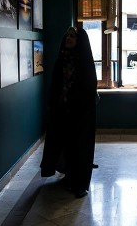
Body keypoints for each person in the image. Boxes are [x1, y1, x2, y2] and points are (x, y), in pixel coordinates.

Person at [40, 26, 98, 198]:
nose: (69, 39)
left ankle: (81, 184)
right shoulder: (62, 59)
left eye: (73, 36)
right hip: (62, 112)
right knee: (66, 147)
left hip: (80, 114)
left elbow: (87, 89)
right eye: (67, 36)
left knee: (80, 147)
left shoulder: (85, 62)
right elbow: (56, 86)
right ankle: (69, 176)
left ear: (80, 40)